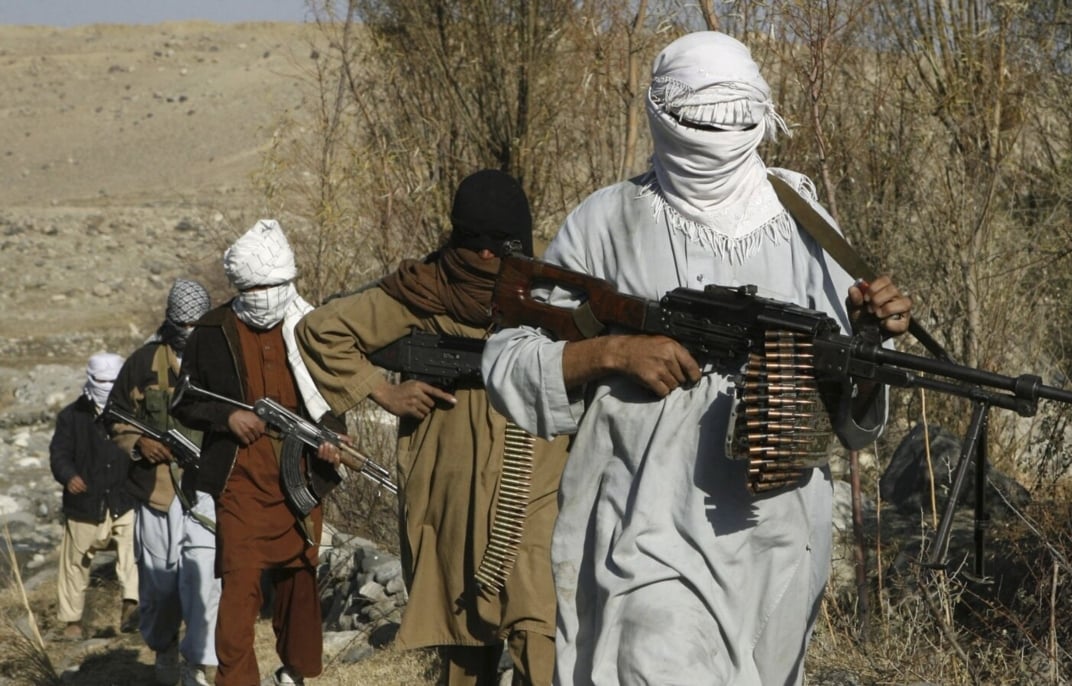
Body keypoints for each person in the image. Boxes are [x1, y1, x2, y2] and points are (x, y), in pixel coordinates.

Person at [481, 31, 913, 685]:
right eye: (697, 121)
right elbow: (507, 359)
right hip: (646, 527)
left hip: (779, 534)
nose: (718, 136)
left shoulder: (807, 223)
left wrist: (865, 344)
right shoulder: (608, 221)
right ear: (659, 113)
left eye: (737, 120)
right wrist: (612, 352)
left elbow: (846, 415)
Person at [295, 169, 569, 686]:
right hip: (452, 471)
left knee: (537, 619)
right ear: (475, 247)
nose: (498, 260)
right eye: (492, 248)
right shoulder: (423, 290)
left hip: (531, 468)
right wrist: (385, 391)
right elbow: (320, 330)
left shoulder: (550, 291)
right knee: (463, 627)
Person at [171, 219, 342, 686]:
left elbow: (332, 396)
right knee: (239, 584)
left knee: (299, 582)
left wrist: (331, 440)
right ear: (241, 286)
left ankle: (296, 674)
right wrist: (227, 418)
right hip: (240, 482)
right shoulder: (212, 330)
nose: (267, 295)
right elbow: (183, 400)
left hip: (300, 480)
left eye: (275, 285)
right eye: (257, 286)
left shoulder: (311, 326)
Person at [107, 278, 220, 686]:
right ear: (171, 321)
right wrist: (140, 443)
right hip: (157, 492)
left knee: (205, 576)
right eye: (182, 323)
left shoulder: (222, 357)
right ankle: (165, 650)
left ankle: (200, 664)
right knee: (160, 579)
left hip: (207, 489)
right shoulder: (143, 362)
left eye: (197, 323)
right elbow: (115, 416)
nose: (189, 331)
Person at [50, 352, 139, 640]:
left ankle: (132, 605)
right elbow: (59, 454)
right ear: (89, 379)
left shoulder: (132, 412)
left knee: (133, 550)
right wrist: (69, 476)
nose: (107, 385)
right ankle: (72, 622)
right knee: (75, 562)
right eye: (102, 380)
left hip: (124, 497)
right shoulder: (71, 417)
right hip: (85, 501)